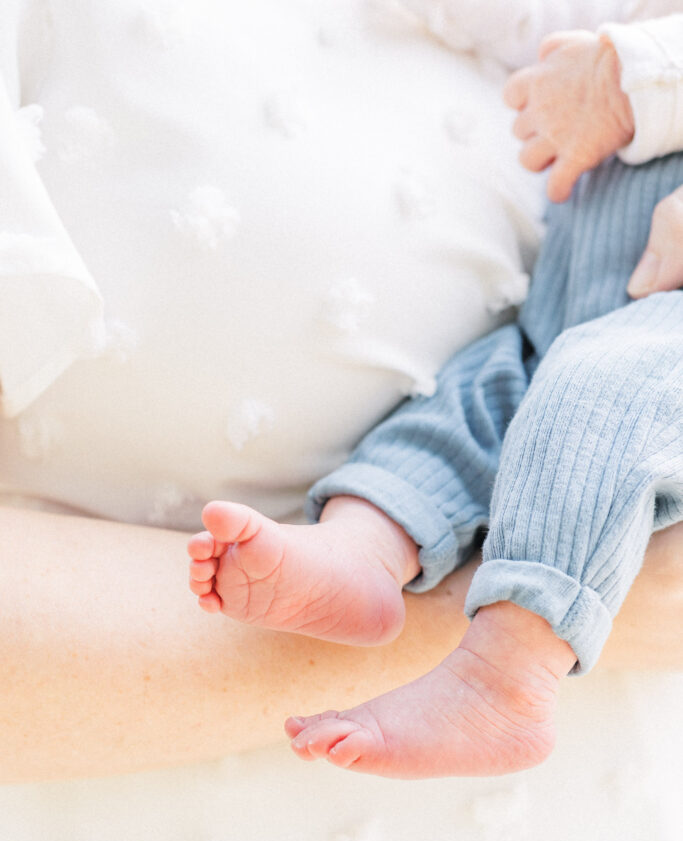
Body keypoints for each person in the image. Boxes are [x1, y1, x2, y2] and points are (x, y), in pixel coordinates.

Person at [188, 17, 683, 780]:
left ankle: (507, 676)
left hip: (651, 332)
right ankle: (361, 550)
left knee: (595, 400)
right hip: (569, 317)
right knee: (473, 399)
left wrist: (628, 73)